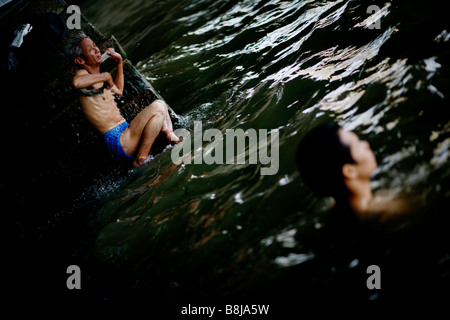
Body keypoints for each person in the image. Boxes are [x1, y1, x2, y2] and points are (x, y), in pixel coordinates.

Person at [66, 33, 179, 167]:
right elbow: (76, 83)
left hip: (126, 132)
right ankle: (141, 158)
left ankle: (168, 133)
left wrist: (119, 62)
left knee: (159, 104)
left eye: (95, 46)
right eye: (90, 49)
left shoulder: (98, 76)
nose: (97, 50)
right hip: (118, 141)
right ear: (80, 61)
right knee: (158, 105)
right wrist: (106, 76)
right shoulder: (83, 75)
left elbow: (118, 91)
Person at [297, 123, 409, 222]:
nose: (366, 144)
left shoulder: (332, 214)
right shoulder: (392, 211)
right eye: (358, 144)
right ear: (350, 171)